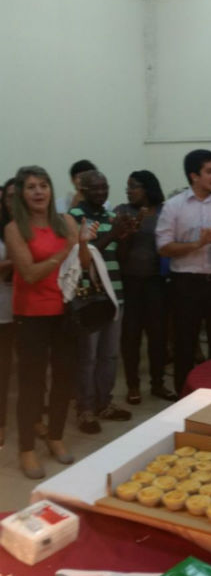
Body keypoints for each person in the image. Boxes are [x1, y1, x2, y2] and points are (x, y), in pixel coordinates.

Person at [5, 165, 91, 478]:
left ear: (51, 189)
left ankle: (55, 436)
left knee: (64, 378)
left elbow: (83, 265)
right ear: (21, 194)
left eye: (43, 185)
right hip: (31, 314)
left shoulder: (65, 221)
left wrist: (82, 244)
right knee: (32, 383)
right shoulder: (15, 229)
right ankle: (27, 449)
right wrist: (64, 250)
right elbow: (28, 274)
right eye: (31, 187)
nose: (39, 192)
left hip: (65, 311)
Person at [156, 149, 211, 395]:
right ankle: (184, 400)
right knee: (184, 345)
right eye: (210, 171)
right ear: (194, 176)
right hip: (186, 284)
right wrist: (197, 244)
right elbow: (163, 247)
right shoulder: (174, 206)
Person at [70, 170, 134, 433]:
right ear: (82, 190)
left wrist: (125, 236)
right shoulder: (74, 217)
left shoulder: (110, 217)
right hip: (89, 296)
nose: (101, 192)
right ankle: (85, 409)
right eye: (94, 188)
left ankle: (104, 403)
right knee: (88, 357)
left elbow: (119, 256)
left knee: (109, 354)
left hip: (114, 293)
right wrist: (113, 234)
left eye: (104, 187)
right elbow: (85, 256)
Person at [115, 170, 174, 404]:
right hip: (130, 282)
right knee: (131, 336)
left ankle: (158, 383)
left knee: (158, 335)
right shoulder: (122, 211)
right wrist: (129, 232)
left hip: (156, 282)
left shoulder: (164, 212)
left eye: (134, 186)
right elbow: (118, 252)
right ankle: (132, 385)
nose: (129, 191)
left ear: (147, 188)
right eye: (127, 186)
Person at [0, 179, 15, 447]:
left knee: (32, 370)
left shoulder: (32, 227)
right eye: (9, 197)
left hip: (29, 308)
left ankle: (34, 419)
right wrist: (19, 260)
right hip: (2, 310)